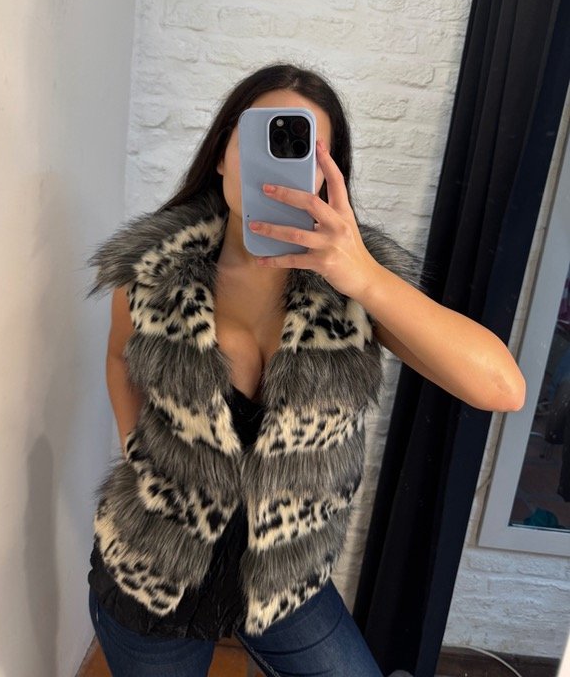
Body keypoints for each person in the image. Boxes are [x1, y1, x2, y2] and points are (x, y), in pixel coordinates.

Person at [85, 63, 525, 677]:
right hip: (150, 570)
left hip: (289, 581)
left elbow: (502, 388)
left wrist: (365, 277)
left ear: (325, 176)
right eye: (259, 137)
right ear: (222, 155)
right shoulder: (153, 272)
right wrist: (138, 450)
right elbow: (118, 356)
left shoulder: (354, 291)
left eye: (301, 149)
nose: (275, 163)